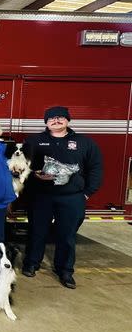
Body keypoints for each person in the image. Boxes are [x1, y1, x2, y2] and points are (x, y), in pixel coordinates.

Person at [22, 106, 103, 289]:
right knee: (37, 231)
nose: (56, 121)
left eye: (60, 118)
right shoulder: (34, 141)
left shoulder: (84, 142)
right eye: (51, 118)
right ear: (46, 122)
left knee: (67, 235)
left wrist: (87, 193)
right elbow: (23, 166)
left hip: (71, 197)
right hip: (41, 196)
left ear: (67, 120)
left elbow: (95, 168)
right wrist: (33, 178)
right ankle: (31, 263)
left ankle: (65, 270)